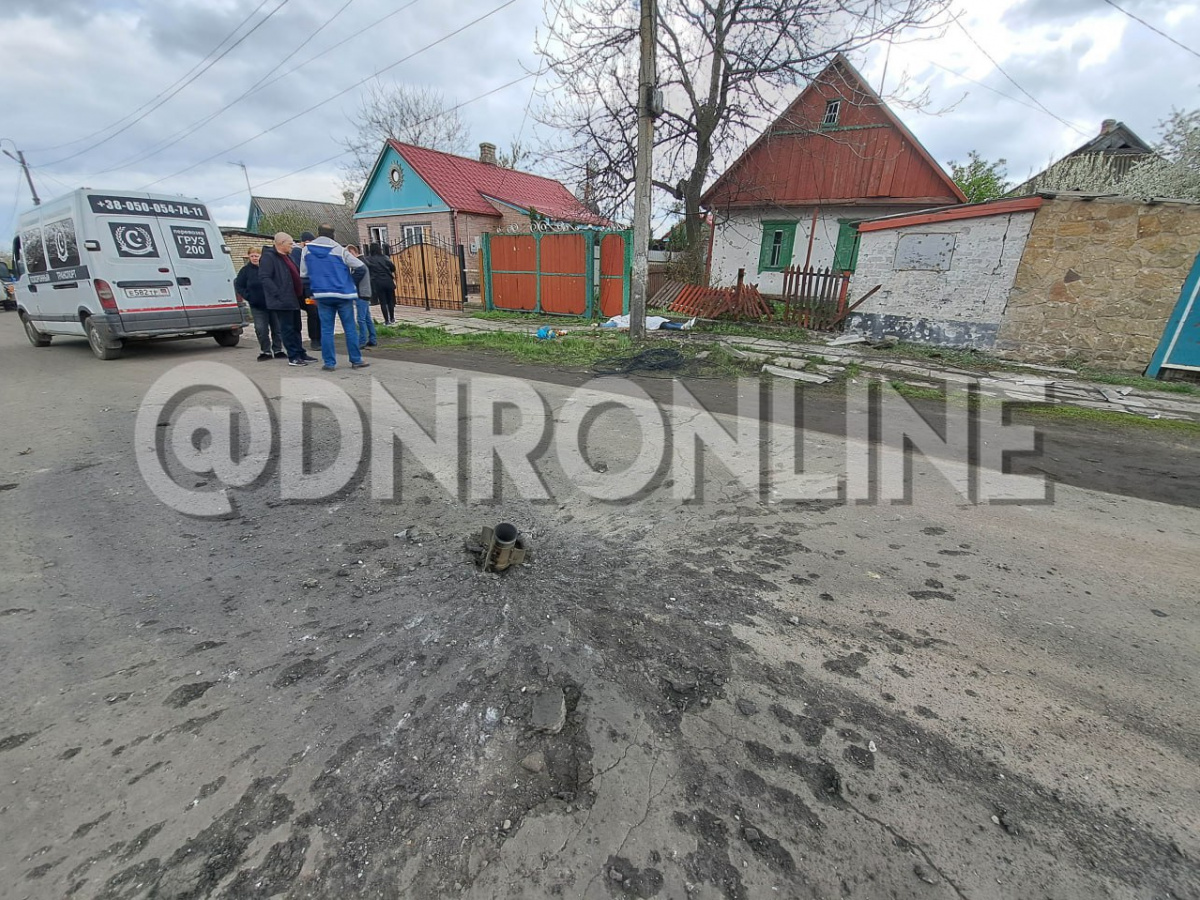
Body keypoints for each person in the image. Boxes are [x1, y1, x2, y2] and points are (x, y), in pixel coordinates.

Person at [301, 223, 369, 371]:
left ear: (318, 233)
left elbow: (304, 276)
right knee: (350, 328)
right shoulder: (339, 250)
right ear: (333, 234)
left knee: (326, 330)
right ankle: (356, 360)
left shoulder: (306, 250)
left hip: (321, 295)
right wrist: (351, 282)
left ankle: (329, 363)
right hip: (343, 294)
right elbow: (361, 267)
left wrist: (311, 294)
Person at [258, 232, 315, 366]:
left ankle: (301, 352)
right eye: (290, 244)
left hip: (294, 298)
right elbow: (264, 277)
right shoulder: (269, 258)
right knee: (287, 328)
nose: (292, 246)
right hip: (282, 300)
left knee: (297, 327)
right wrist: (278, 293)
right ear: (281, 243)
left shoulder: (287, 257)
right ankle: (293, 356)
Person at [234, 249, 284, 360]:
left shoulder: (269, 268)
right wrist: (249, 296)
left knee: (277, 328)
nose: (255, 258)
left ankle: (278, 350)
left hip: (273, 304)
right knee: (261, 329)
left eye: (257, 255)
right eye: (252, 256)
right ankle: (265, 351)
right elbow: (239, 286)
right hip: (257, 305)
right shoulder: (245, 271)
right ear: (248, 257)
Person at [291, 230, 322, 351]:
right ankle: (314, 339)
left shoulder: (312, 252)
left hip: (315, 288)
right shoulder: (297, 253)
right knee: (313, 312)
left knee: (317, 313)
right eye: (307, 242)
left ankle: (319, 338)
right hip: (307, 291)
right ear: (302, 242)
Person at [346, 244, 377, 349]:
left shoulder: (359, 264)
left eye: (349, 254)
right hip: (366, 292)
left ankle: (362, 341)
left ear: (353, 252)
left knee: (361, 319)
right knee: (367, 318)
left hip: (361, 293)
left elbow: (355, 279)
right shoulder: (364, 261)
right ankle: (372, 339)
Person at [364, 242, 397, 325]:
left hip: (377, 282)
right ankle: (392, 318)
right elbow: (393, 268)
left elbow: (366, 270)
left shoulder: (368, 259)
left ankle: (386, 321)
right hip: (388, 281)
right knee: (390, 301)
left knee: (383, 302)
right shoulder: (385, 258)